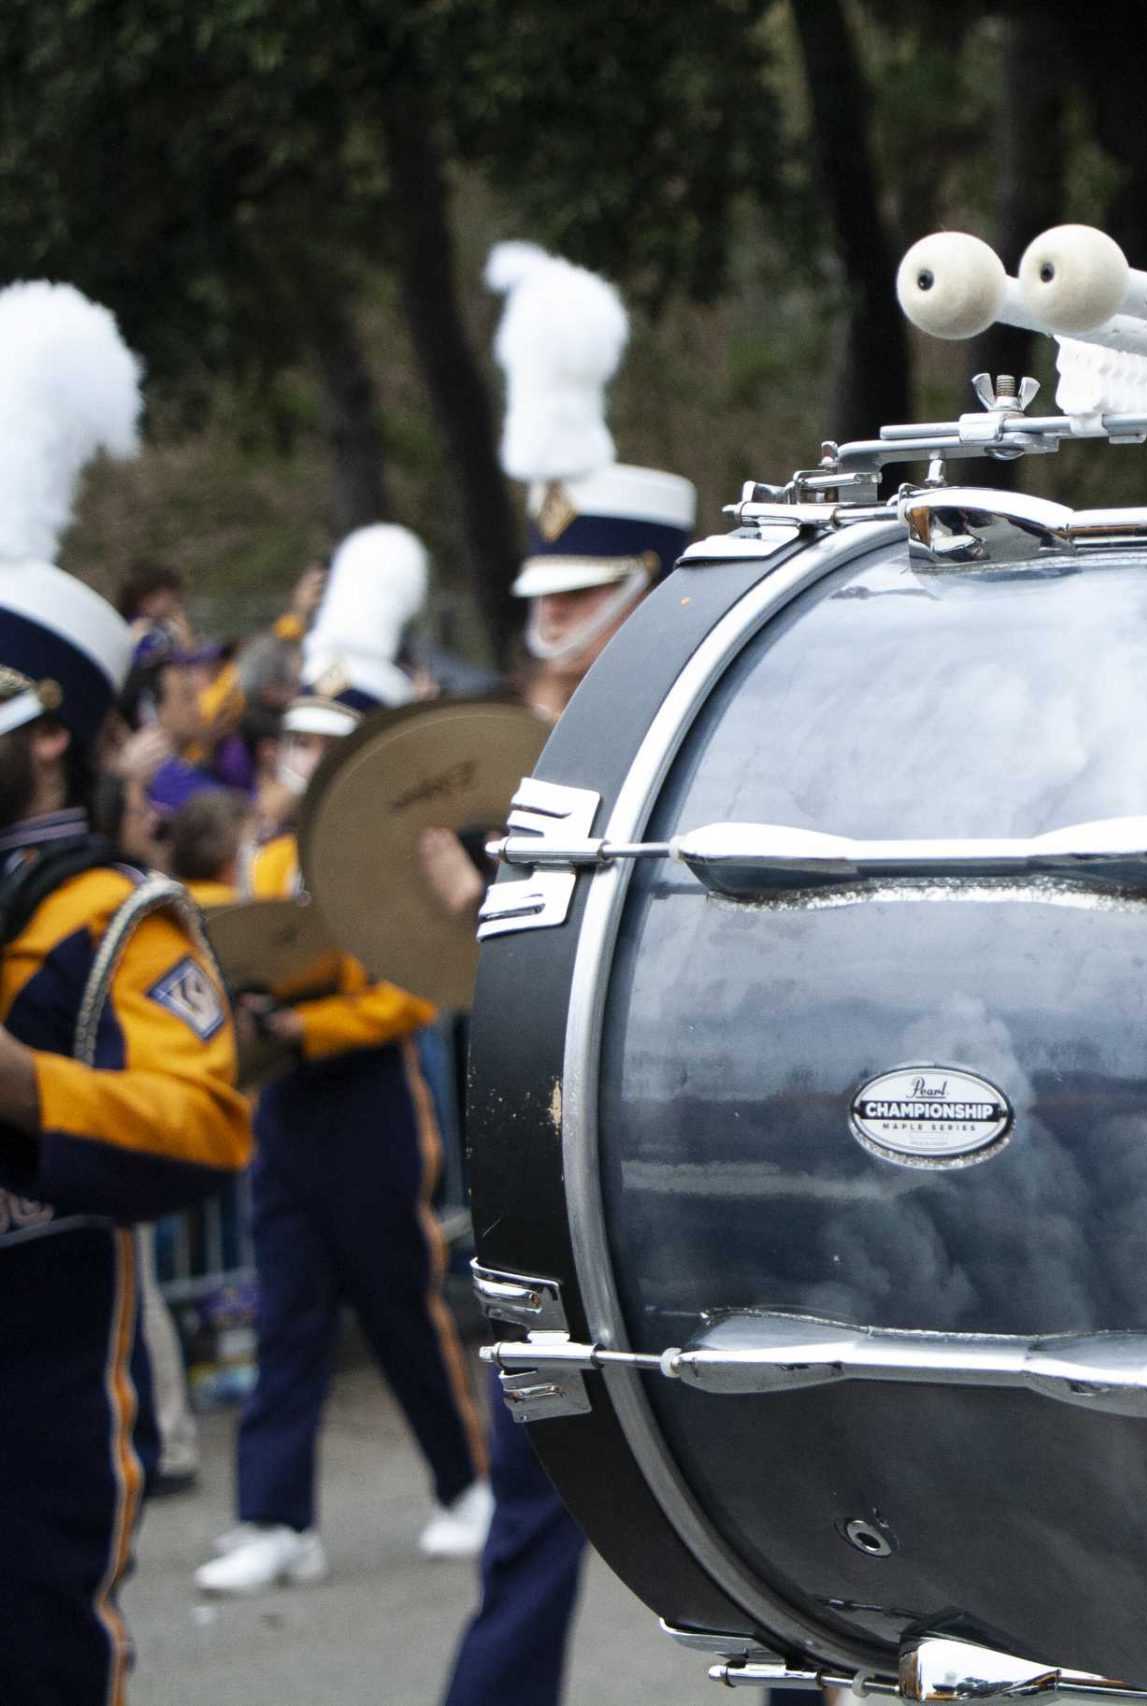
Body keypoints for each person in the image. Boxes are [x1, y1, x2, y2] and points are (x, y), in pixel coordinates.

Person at [439, 239, 699, 1706]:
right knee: (538, 1483)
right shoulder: (508, 765)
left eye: (579, 596)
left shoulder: (728, 736)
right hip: (551, 1181)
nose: (548, 629)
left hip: (698, 1169)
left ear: (645, 584)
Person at [0, 279, 253, 1705]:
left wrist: (19, 1081)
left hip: (31, 1391)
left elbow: (204, 1124)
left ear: (49, 739)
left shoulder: (113, 919)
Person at [193, 522, 493, 1595]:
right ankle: (276, 1516)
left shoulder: (387, 861)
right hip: (285, 1109)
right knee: (286, 1310)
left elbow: (403, 999)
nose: (297, 758)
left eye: (320, 745)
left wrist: (309, 1023)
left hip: (368, 1101)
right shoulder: (266, 850)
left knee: (401, 1301)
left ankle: (465, 1482)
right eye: (295, 742)